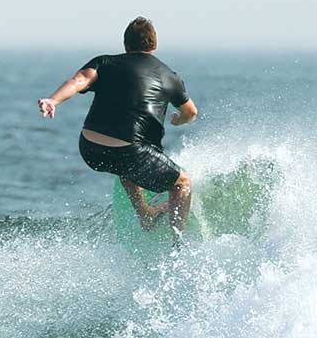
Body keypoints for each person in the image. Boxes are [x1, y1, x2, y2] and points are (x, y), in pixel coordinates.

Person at [38, 16, 198, 237]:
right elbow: (191, 112)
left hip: (89, 148)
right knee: (182, 181)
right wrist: (179, 120)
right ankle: (178, 247)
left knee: (127, 163)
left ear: (126, 45)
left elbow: (78, 81)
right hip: (130, 150)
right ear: (154, 45)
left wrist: (53, 100)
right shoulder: (169, 76)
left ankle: (145, 214)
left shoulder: (104, 63)